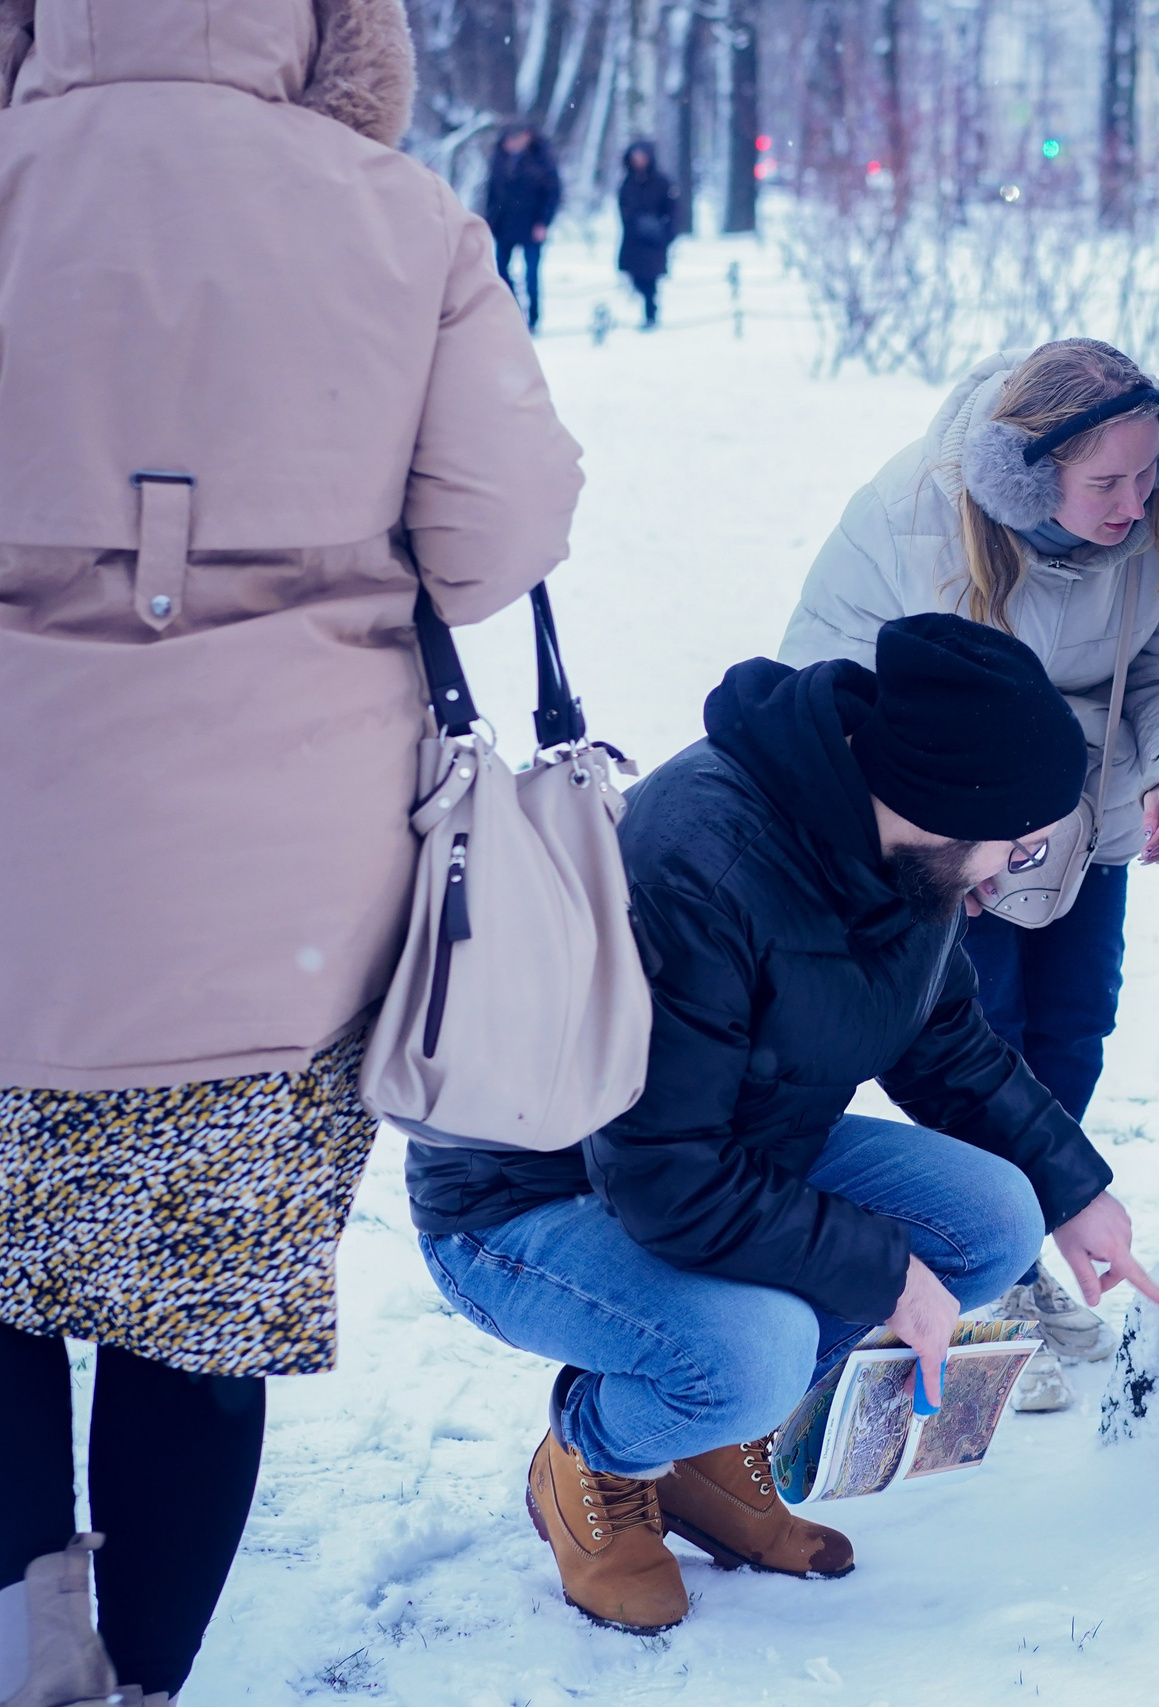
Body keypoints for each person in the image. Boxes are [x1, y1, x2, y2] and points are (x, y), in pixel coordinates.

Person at [0, 0, 584, 1698]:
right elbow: (496, 540)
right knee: (199, 1315)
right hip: (274, 906)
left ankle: (33, 1651)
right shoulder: (398, 216)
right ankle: (144, 1677)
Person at [408, 617, 1159, 1634]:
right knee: (754, 1353)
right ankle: (594, 1454)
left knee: (994, 1217)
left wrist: (1074, 1189)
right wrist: (884, 1273)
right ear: (946, 803)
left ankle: (708, 1452)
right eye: (1018, 842)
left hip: (727, 1146)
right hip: (528, 1198)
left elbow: (943, 1040)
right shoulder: (703, 866)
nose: (1010, 870)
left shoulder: (902, 848)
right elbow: (663, 1178)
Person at [780, 339, 1159, 1409]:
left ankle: (1023, 1249)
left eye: (1148, 471)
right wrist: (931, 835)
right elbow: (834, 676)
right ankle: (984, 1277)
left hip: (1089, 810)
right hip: (950, 817)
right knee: (983, 1035)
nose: (1135, 501)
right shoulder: (916, 515)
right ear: (1028, 476)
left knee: (1073, 1027)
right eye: (1105, 482)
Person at [485, 119, 560, 330]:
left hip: (531, 225)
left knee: (531, 274)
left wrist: (543, 222)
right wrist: (490, 219)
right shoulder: (500, 160)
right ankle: (513, 312)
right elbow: (493, 192)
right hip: (504, 225)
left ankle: (533, 317)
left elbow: (552, 194)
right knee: (501, 270)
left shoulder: (542, 160)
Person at [617, 140, 678, 330]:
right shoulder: (628, 182)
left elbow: (673, 209)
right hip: (634, 239)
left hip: (654, 240)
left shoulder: (661, 182)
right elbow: (624, 208)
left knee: (650, 278)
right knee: (636, 275)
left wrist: (666, 232)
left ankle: (650, 314)